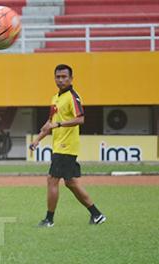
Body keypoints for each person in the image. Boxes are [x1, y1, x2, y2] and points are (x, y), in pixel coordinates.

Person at [30, 64, 106, 227]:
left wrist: (58, 125)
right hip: (59, 145)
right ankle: (97, 215)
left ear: (71, 79)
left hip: (66, 146)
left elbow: (80, 119)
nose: (61, 80)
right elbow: (50, 122)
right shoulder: (55, 97)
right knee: (71, 182)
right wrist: (38, 139)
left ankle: (49, 220)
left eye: (64, 77)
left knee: (52, 180)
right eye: (58, 77)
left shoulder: (73, 96)